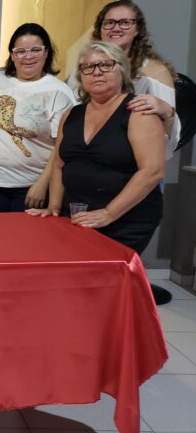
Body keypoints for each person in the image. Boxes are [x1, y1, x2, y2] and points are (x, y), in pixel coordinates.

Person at [28, 41, 170, 305]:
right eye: (88, 67)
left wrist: (109, 213)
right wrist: (54, 207)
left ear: (122, 71)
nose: (97, 72)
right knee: (77, 289)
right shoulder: (72, 114)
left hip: (125, 220)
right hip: (78, 217)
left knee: (104, 291)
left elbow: (152, 171)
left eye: (105, 65)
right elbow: (59, 163)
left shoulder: (139, 112)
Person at [0, 23, 76, 213]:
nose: (28, 57)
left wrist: (42, 184)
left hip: (30, 188)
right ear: (12, 55)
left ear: (47, 52)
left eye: (36, 50)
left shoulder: (59, 92)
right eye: (20, 51)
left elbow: (62, 146)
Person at [90, 0, 180, 158]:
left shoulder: (154, 73)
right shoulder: (86, 67)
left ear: (138, 29)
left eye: (125, 23)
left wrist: (167, 111)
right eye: (109, 23)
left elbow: (167, 140)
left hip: (133, 161)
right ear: (100, 29)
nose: (116, 28)